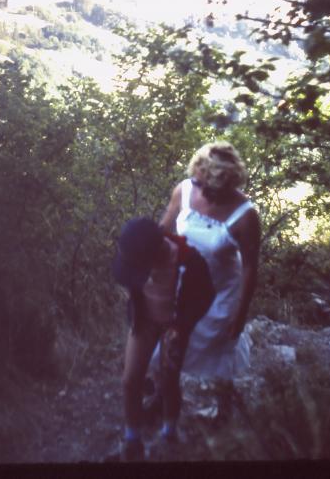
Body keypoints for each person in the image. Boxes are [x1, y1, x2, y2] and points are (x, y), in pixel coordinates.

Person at [157, 141, 261, 386]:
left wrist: (240, 313)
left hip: (220, 295)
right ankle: (164, 403)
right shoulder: (184, 190)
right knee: (170, 346)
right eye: (196, 177)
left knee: (213, 357)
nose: (197, 184)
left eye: (203, 181)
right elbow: (162, 232)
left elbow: (249, 267)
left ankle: (219, 411)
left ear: (224, 183)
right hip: (180, 287)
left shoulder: (246, 216)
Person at [112, 216, 215, 461]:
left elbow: (206, 295)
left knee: (168, 380)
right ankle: (132, 439)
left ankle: (170, 432)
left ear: (157, 251)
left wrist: (182, 326)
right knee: (130, 380)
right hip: (144, 322)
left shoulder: (189, 262)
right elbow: (127, 276)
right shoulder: (135, 251)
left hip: (173, 326)